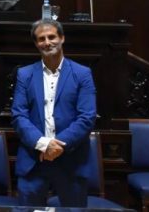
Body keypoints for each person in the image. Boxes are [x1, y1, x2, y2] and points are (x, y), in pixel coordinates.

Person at [11, 19, 97, 207]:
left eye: (52, 37)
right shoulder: (25, 74)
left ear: (62, 38)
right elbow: (18, 115)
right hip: (34, 160)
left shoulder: (82, 73)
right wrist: (44, 144)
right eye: (41, 39)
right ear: (36, 43)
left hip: (71, 161)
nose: (47, 42)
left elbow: (87, 117)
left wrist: (58, 146)